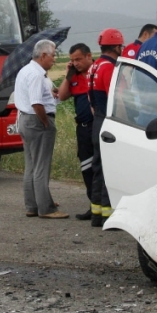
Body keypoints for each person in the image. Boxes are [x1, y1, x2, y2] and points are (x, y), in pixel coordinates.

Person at [13, 39, 68, 219]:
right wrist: (45, 122)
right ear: (43, 55)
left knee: (31, 165)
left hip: (24, 120)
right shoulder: (37, 75)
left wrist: (51, 95)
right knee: (41, 166)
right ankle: (46, 208)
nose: (54, 60)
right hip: (37, 121)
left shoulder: (26, 71)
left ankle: (32, 205)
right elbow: (36, 102)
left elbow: (38, 97)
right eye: (53, 55)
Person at [87, 28, 124, 227]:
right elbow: (116, 99)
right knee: (108, 169)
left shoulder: (95, 66)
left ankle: (96, 214)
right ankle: (108, 216)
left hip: (97, 121)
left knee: (98, 168)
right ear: (116, 46)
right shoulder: (109, 67)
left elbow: (90, 97)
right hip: (108, 121)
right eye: (121, 46)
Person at [57, 43, 95, 221]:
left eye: (78, 59)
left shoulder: (98, 71)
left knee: (101, 168)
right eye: (72, 60)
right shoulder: (74, 77)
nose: (76, 63)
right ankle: (93, 204)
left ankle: (105, 204)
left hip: (98, 126)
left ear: (89, 56)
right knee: (87, 167)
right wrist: (69, 75)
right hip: (83, 129)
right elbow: (62, 96)